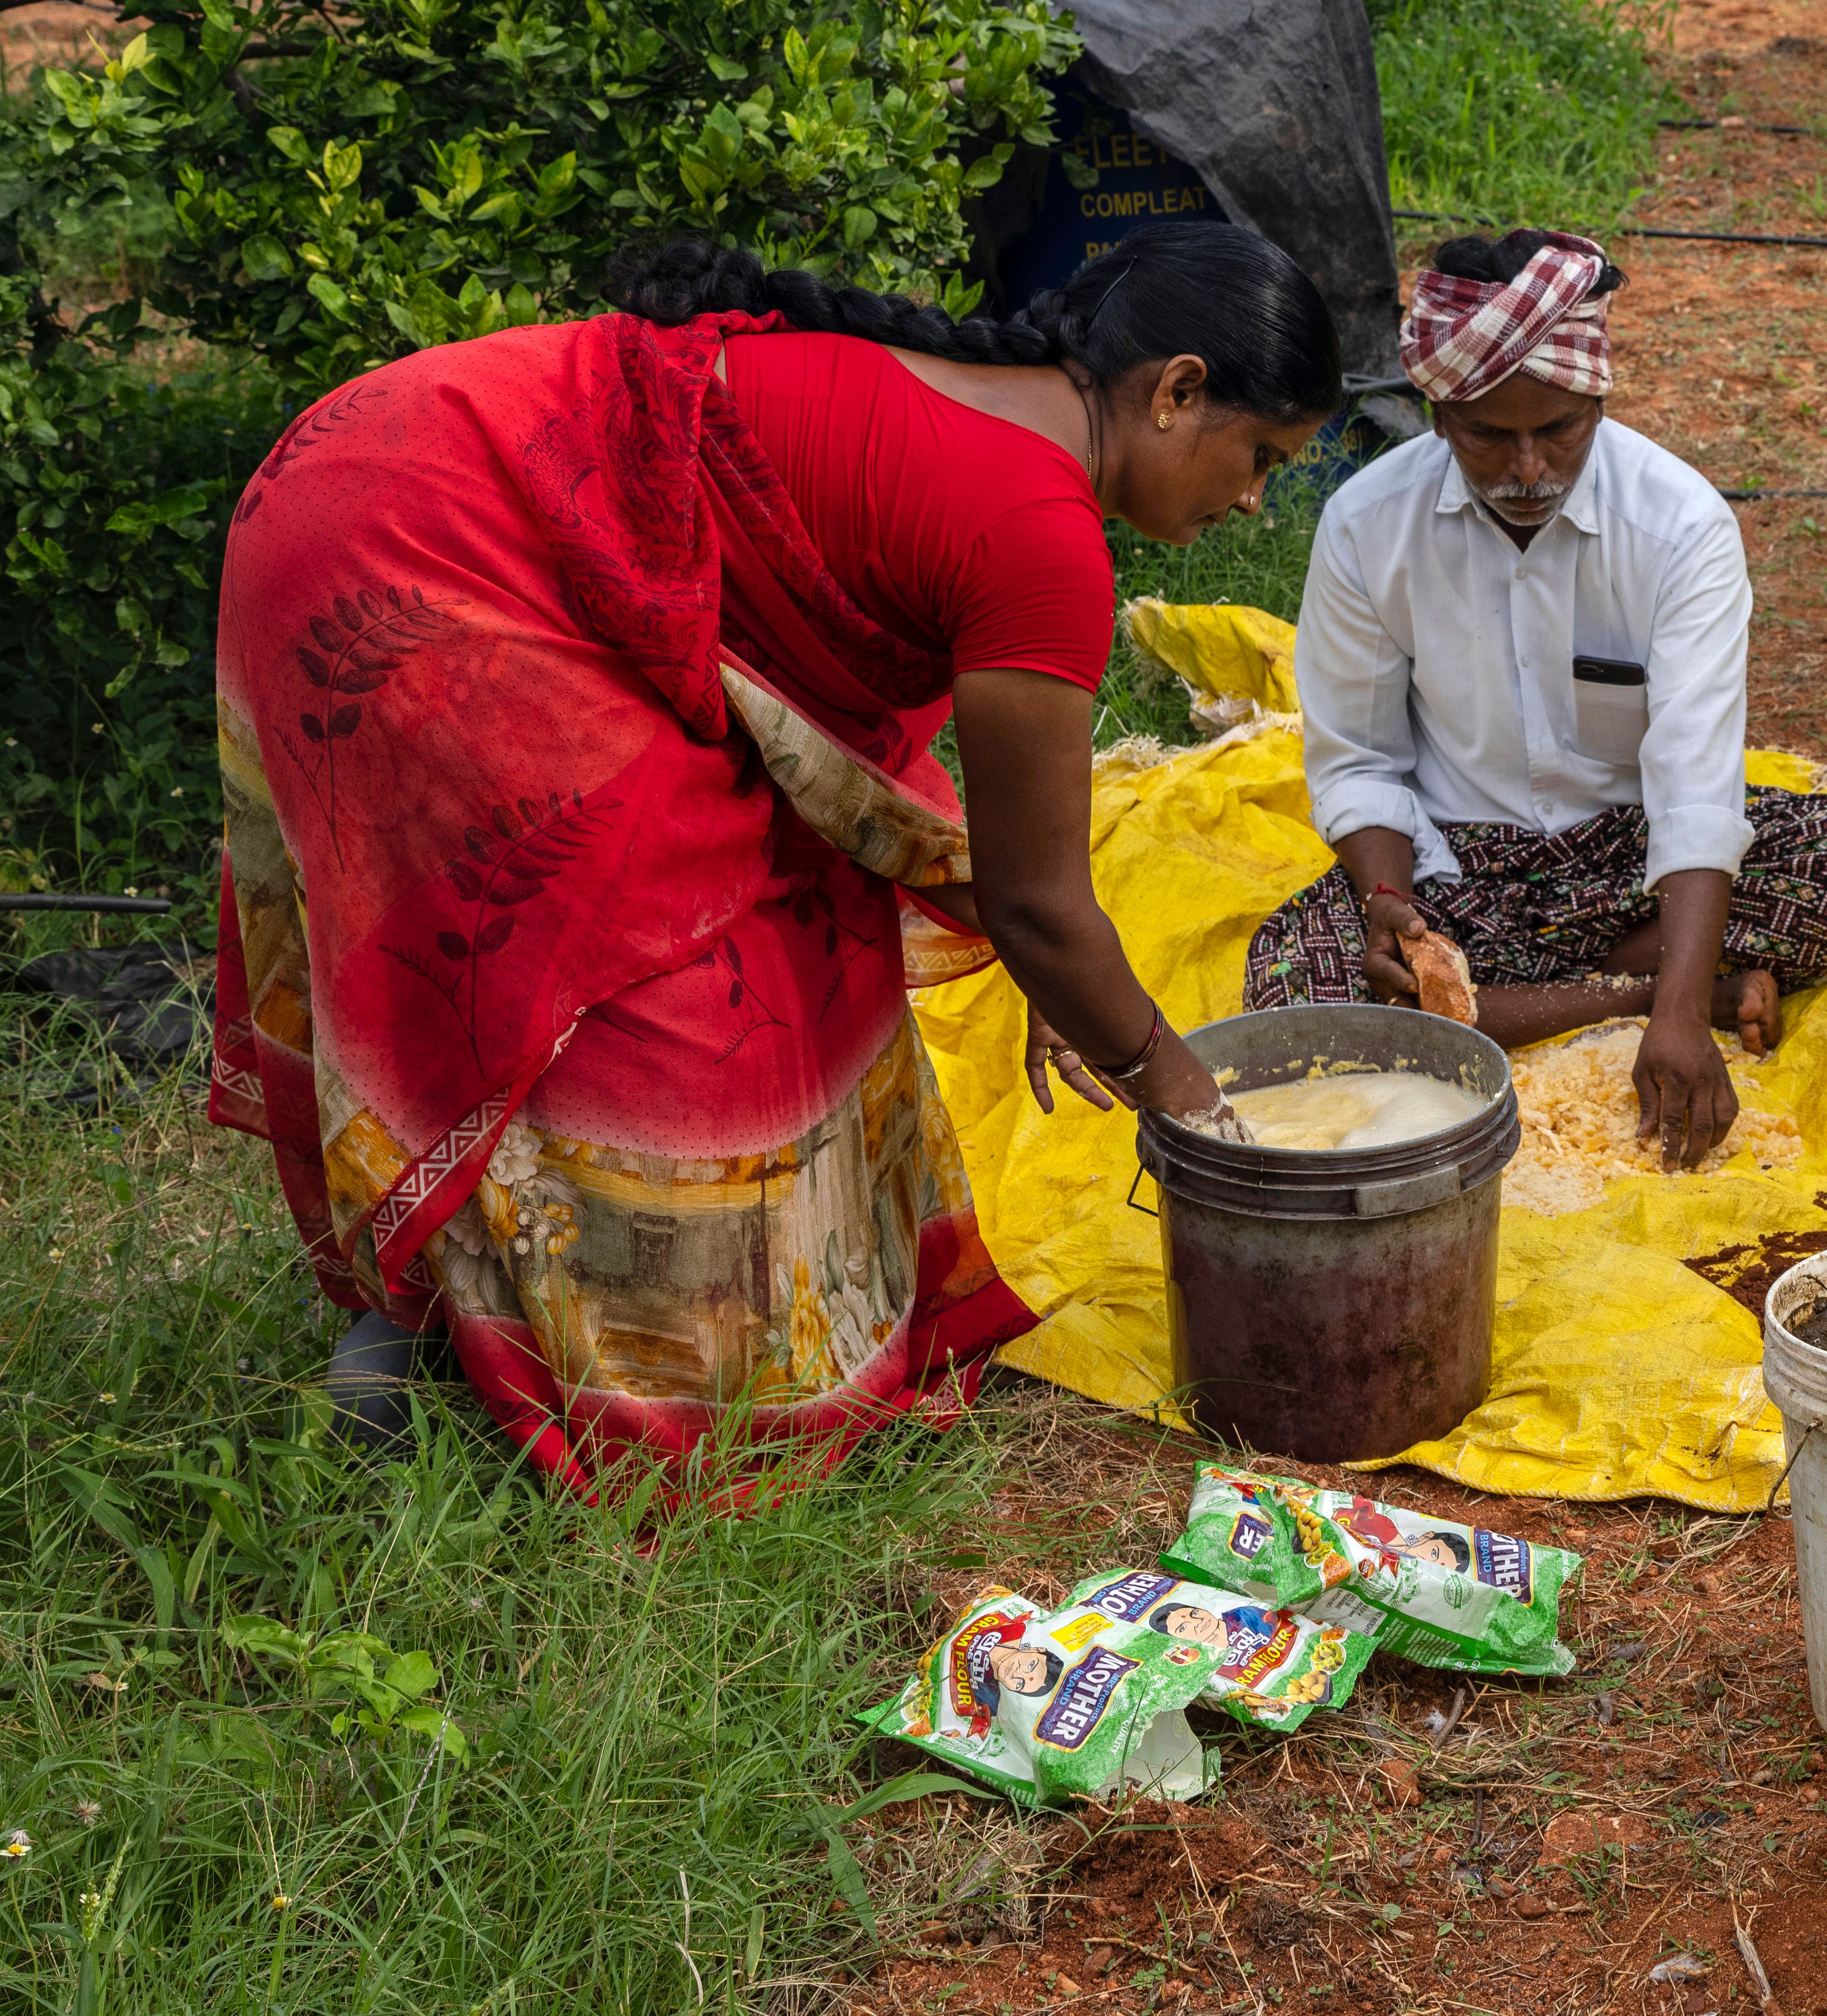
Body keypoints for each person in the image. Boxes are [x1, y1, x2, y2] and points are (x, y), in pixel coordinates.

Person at [211, 227, 1340, 1490]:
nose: (1253, 501)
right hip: (419, 542)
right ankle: (531, 1377)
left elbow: (976, 859)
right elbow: (1039, 900)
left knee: (804, 935)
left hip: (399, 474)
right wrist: (1186, 1093)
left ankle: (461, 1325)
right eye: (1264, 459)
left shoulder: (991, 416)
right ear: (1178, 390)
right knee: (647, 990)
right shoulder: (1043, 536)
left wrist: (1055, 972)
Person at [1245, 228, 1827, 1160]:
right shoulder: (1366, 526)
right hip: (1454, 875)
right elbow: (1358, 756)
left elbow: (1693, 782)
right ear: (1437, 416)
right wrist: (1391, 900)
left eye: (1559, 429)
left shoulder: (1680, 525)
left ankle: (1502, 1004)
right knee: (1290, 979)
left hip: (1631, 860)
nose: (1529, 469)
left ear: (1598, 398)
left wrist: (1670, 1024)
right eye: (1489, 435)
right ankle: (1644, 983)